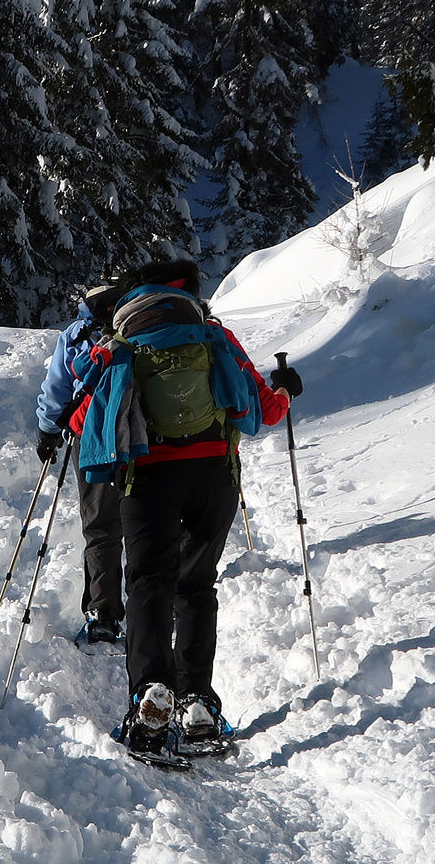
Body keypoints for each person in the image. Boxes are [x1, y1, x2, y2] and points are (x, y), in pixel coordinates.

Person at [72, 258, 301, 759]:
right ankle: (197, 700)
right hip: (214, 476)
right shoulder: (214, 337)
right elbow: (261, 408)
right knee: (195, 586)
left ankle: (151, 695)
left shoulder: (123, 348)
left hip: (149, 479)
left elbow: (84, 418)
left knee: (149, 583)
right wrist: (286, 390)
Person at [34, 281, 126, 644]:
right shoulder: (143, 323)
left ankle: (103, 612)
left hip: (91, 436)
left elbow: (58, 386)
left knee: (101, 523)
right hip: (144, 436)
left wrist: (47, 431)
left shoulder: (77, 333)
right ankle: (157, 603)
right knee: (145, 519)